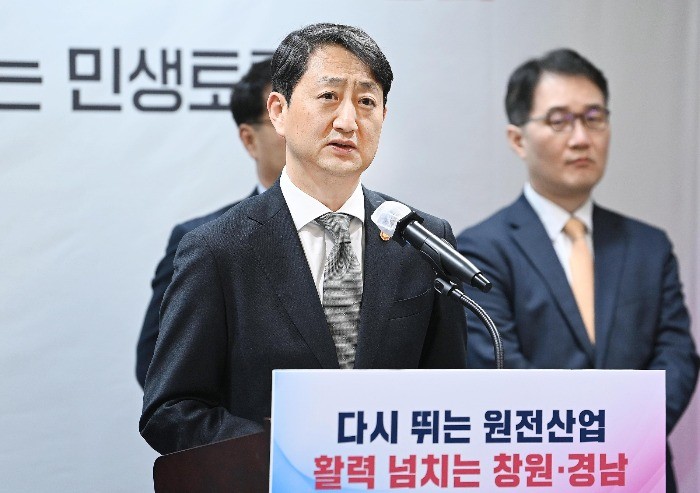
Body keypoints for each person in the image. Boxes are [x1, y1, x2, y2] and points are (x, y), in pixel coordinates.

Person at [140, 23, 468, 455]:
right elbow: (170, 411)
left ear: (383, 117)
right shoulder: (218, 248)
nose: (348, 121)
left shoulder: (422, 238)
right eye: (328, 96)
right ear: (278, 111)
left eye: (367, 102)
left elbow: (450, 394)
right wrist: (288, 451)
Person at [456, 48, 699, 492]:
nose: (581, 138)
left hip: (639, 473)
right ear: (517, 139)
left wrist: (626, 436)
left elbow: (677, 355)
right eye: (559, 121)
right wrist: (590, 438)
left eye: (594, 118)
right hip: (535, 474)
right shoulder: (480, 250)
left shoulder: (649, 247)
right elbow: (499, 366)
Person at [135, 59, 285, 388]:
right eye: (284, 117)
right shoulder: (203, 240)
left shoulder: (388, 230)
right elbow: (157, 365)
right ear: (249, 140)